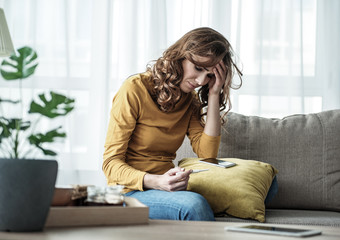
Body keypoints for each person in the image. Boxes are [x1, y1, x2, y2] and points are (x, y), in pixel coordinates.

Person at [103, 27, 243, 221]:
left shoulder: (190, 100)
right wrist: (157, 181)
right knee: (194, 206)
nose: (201, 80)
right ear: (180, 58)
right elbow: (110, 164)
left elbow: (207, 155)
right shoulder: (134, 89)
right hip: (129, 191)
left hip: (166, 187)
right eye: (199, 68)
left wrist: (213, 94)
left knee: (261, 187)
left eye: (210, 75)